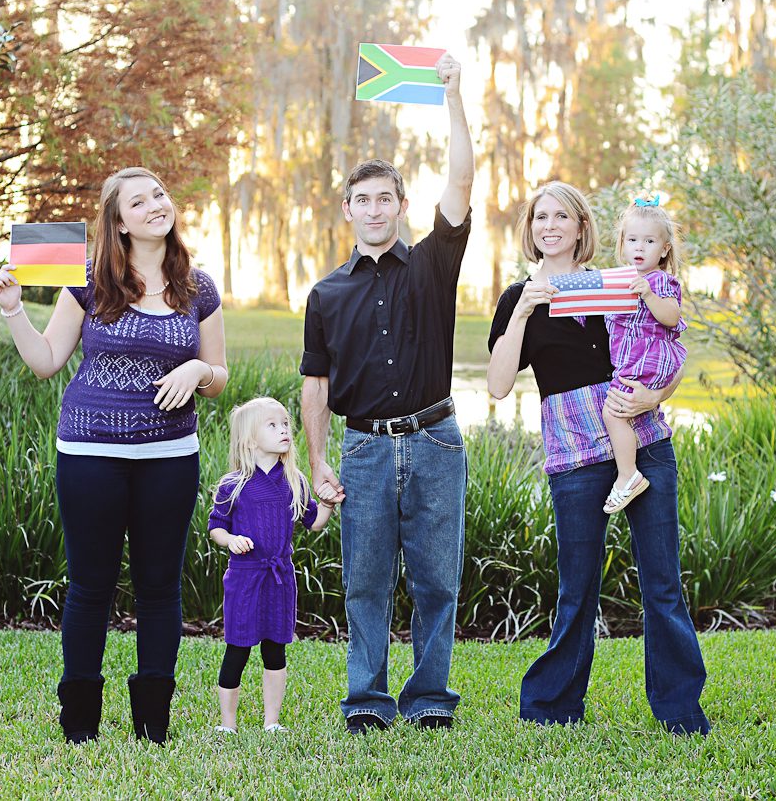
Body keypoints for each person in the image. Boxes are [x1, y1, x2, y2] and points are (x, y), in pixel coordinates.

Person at [0, 166, 228, 745]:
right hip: (89, 452)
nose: (156, 206)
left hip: (170, 455)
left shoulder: (198, 288)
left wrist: (198, 369)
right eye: (139, 201)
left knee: (159, 587)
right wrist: (15, 308)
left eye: (161, 195)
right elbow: (46, 362)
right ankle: (80, 725)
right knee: (90, 587)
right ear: (118, 223)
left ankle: (153, 724)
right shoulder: (89, 281)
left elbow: (221, 377)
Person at [486, 181, 709, 735]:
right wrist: (521, 316)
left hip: (643, 441)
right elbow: (495, 385)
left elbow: (668, 349)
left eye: (563, 216)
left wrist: (656, 396)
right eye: (541, 217)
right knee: (577, 586)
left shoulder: (618, 283)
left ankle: (680, 711)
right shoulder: (520, 297)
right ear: (531, 229)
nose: (551, 226)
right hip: (575, 455)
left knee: (662, 583)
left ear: (582, 227)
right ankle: (553, 708)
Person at [300, 52, 473, 734]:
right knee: (366, 582)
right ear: (347, 209)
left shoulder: (432, 263)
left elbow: (460, 175)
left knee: (437, 580)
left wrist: (453, 96)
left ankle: (430, 694)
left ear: (403, 206)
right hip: (365, 449)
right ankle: (367, 699)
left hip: (435, 439)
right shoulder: (326, 293)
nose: (374, 209)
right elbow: (314, 386)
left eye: (386, 198)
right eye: (362, 199)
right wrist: (317, 461)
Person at [207, 397, 334, 734]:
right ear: (250, 440)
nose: (283, 431)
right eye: (273, 425)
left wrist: (329, 504)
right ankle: (227, 724)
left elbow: (314, 522)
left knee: (275, 650)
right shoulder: (232, 485)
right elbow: (216, 526)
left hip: (280, 580)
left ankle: (271, 722)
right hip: (244, 579)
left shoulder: (294, 482)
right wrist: (230, 540)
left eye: (285, 425)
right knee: (237, 649)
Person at [601, 197, 687, 514]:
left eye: (649, 241)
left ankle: (628, 476)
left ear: (664, 249)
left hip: (647, 359)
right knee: (620, 412)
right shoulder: (621, 279)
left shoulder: (659, 280)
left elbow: (672, 316)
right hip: (634, 360)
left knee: (613, 412)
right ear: (623, 244)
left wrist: (649, 294)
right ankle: (628, 472)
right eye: (633, 239)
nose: (640, 247)